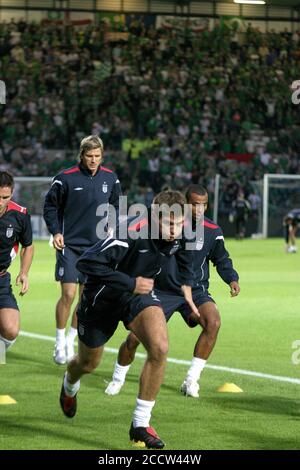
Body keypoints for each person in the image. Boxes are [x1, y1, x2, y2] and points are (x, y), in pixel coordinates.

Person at [59, 190, 198, 449]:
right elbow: (86, 262)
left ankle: (140, 424)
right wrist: (129, 282)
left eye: (179, 224)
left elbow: (184, 256)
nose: (175, 230)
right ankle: (69, 383)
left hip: (139, 296)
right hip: (102, 299)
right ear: (155, 216)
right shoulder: (129, 231)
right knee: (89, 364)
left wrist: (188, 287)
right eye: (169, 224)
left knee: (160, 347)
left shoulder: (181, 231)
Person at [105, 185, 240, 399]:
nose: (200, 209)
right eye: (195, 204)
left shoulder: (212, 230)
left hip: (194, 290)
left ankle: (191, 380)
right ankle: (117, 378)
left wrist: (232, 278)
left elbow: (221, 259)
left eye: (204, 205)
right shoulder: (164, 227)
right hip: (161, 290)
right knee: (134, 340)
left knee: (213, 322)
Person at [43, 135, 122, 365]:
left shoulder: (111, 179)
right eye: (89, 156)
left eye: (97, 156)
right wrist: (55, 231)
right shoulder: (64, 178)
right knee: (68, 294)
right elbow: (50, 206)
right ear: (82, 155)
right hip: (70, 245)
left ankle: (70, 338)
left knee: (85, 297)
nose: (93, 160)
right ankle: (59, 342)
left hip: (97, 249)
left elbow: (117, 204)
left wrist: (112, 223)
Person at [0, 171, 34, 355]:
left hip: (1, 279)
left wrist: (24, 272)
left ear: (11, 194)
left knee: (11, 330)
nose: (0, 202)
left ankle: (0, 354)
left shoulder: (20, 215)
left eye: (5, 197)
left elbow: (28, 246)